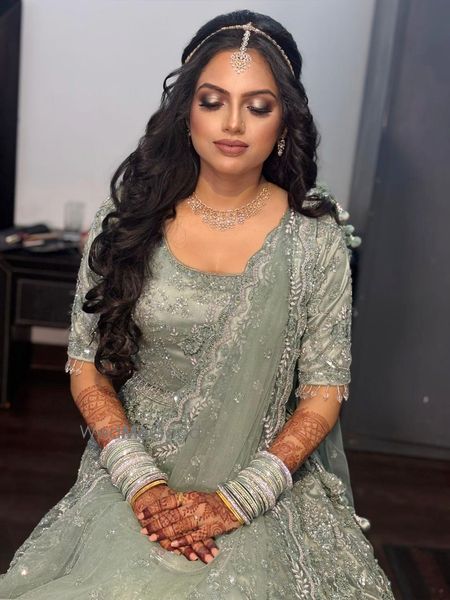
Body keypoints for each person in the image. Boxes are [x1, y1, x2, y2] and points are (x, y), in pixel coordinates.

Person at [0, 9, 395, 599]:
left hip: (262, 490)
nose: (232, 123)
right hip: (134, 480)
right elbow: (85, 367)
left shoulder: (315, 241)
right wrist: (142, 484)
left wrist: (236, 502)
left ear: (285, 120)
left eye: (258, 106)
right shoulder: (127, 224)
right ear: (186, 111)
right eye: (213, 102)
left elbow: (322, 392)